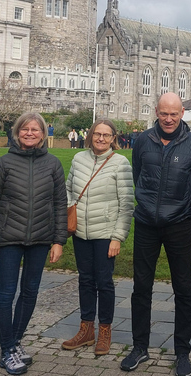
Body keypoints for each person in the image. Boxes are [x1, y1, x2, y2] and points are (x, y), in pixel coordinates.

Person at [121, 92, 191, 376]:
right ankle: (139, 347)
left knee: (183, 289)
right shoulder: (143, 141)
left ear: (182, 112)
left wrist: (185, 214)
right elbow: (139, 176)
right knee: (141, 288)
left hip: (179, 224)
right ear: (156, 112)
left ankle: (182, 352)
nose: (168, 119)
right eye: (163, 113)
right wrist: (147, 206)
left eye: (174, 114)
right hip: (146, 222)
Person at [0, 112, 67, 375]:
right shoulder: (3, 164)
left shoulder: (53, 164)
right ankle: (6, 349)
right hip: (7, 238)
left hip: (40, 238)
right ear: (17, 133)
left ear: (43, 134)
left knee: (30, 293)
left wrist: (59, 240)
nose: (30, 133)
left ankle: (15, 342)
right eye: (25, 129)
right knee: (6, 293)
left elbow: (60, 205)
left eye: (35, 130)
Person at [62, 119, 134, 355]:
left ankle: (105, 330)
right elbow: (68, 188)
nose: (101, 139)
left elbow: (126, 205)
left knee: (104, 282)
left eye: (107, 135)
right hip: (81, 231)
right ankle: (86, 329)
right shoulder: (79, 159)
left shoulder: (120, 163)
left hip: (105, 232)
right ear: (91, 135)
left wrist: (117, 237)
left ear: (114, 138)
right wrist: (72, 207)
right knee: (85, 280)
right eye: (97, 134)